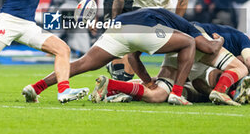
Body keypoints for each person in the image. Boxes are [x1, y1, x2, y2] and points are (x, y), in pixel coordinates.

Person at [22, 8, 225, 105]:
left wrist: (147, 81)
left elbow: (133, 57)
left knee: (81, 63)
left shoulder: (162, 16)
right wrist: (219, 40)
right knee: (189, 42)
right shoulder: (190, 27)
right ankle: (177, 94)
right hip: (142, 28)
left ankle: (36, 87)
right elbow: (207, 47)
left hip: (118, 27)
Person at [91, 21, 248, 106]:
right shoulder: (242, 39)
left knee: (158, 94)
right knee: (238, 68)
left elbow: (133, 56)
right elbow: (247, 60)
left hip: (178, 47)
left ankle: (112, 86)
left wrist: (147, 81)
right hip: (197, 41)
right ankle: (222, 91)